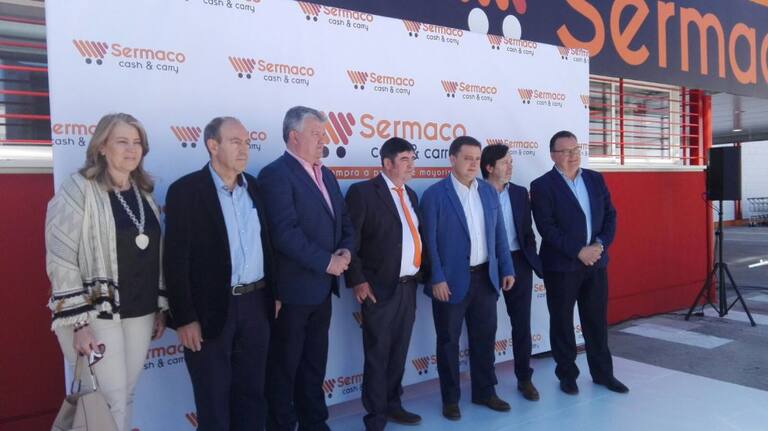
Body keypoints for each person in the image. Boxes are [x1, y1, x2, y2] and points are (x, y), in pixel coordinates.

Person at [45, 113, 167, 431]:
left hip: (139, 311)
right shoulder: (78, 189)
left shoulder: (143, 193)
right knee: (108, 400)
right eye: (122, 141)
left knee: (125, 396)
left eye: (137, 142)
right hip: (95, 313)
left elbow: (153, 255)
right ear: (101, 146)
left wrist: (160, 306)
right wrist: (79, 323)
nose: (131, 149)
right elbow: (60, 258)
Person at [164, 116, 274, 430]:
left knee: (252, 395)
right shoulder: (185, 191)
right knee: (213, 399)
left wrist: (274, 295)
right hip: (210, 309)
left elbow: (267, 245)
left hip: (255, 304)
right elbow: (175, 260)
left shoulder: (254, 187)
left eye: (247, 143)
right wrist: (184, 318)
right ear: (213, 146)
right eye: (235, 142)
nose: (244, 149)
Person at [258, 106, 355, 431]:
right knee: (284, 369)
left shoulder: (327, 174)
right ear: (294, 136)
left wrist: (346, 251)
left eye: (324, 134)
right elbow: (284, 233)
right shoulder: (276, 174)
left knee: (314, 365)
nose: (323, 140)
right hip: (292, 292)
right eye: (316, 134)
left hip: (322, 290)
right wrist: (328, 261)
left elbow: (344, 221)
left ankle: (315, 423)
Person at [420, 136, 515, 421]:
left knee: (484, 338)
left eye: (477, 159)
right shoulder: (435, 195)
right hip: (449, 282)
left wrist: (507, 268)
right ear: (453, 159)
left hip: (485, 278)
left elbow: (499, 234)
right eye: (467, 158)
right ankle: (450, 399)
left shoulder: (488, 192)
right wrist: (436, 278)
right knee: (448, 341)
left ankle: (485, 392)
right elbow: (429, 242)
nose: (473, 164)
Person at [530, 130, 628, 395]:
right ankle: (567, 375)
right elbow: (546, 227)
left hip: (596, 262)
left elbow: (610, 216)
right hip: (561, 266)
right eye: (565, 151)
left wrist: (599, 245)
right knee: (562, 322)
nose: (572, 155)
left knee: (596, 321)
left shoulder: (595, 179)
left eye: (575, 150)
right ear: (553, 155)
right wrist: (578, 251)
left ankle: (603, 374)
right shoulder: (542, 185)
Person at [345, 137, 428, 430]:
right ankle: (376, 416)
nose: (411, 165)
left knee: (399, 351)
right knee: (378, 354)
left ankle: (394, 404)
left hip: (408, 287)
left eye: (413, 159)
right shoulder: (363, 193)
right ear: (387, 163)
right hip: (378, 288)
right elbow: (350, 241)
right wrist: (358, 281)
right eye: (405, 160)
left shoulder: (411, 195)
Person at [481, 144, 544, 401]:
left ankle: (524, 378)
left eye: (511, 162)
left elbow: (527, 231)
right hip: (486, 264)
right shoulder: (476, 192)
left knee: (521, 324)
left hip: (518, 262)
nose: (510, 167)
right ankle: (486, 383)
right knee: (485, 326)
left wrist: (530, 257)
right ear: (489, 167)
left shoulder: (519, 193)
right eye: (505, 162)